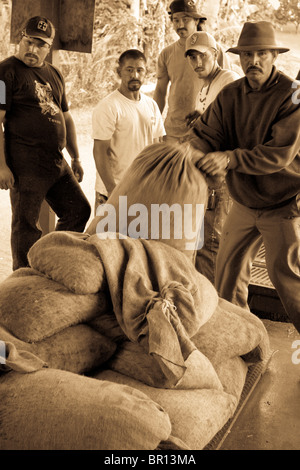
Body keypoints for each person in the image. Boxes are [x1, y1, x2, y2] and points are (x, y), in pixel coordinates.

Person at [189, 21, 300, 333]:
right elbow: (206, 133)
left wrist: (228, 158)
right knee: (226, 277)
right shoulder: (230, 95)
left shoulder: (292, 96)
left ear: (274, 56)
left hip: (283, 202)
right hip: (244, 201)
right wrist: (188, 153)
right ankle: (241, 342)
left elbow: (278, 155)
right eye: (247, 54)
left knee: (287, 279)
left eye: (261, 53)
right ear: (238, 58)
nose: (254, 61)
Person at [0, 16, 91, 271]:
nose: (32, 49)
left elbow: (67, 118)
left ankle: (50, 263)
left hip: (55, 162)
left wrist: (76, 157)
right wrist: (2, 166)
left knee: (78, 211)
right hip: (24, 164)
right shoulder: (4, 72)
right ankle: (22, 280)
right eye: (28, 42)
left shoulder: (54, 73)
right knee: (26, 227)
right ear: (21, 39)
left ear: (48, 47)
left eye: (40, 45)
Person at [184, 31, 240, 284]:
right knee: (201, 240)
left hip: (224, 178)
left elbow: (235, 129)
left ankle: (215, 308)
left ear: (215, 54)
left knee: (212, 243)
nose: (197, 63)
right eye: (192, 57)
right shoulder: (205, 87)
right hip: (207, 177)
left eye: (202, 56)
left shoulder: (228, 80)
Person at [92, 49, 165, 207]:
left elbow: (157, 147)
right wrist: (112, 190)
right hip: (113, 190)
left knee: (141, 232)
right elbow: (99, 152)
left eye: (140, 70)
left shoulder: (151, 105)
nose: (135, 75)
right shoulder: (109, 106)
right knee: (107, 232)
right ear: (119, 72)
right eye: (129, 70)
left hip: (143, 188)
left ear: (146, 73)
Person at [153, 0, 234, 142]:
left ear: (196, 21)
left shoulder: (215, 50)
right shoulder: (166, 53)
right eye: (176, 20)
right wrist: (155, 125)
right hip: (173, 129)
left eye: (186, 19)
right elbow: (160, 91)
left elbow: (229, 94)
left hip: (206, 132)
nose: (180, 25)